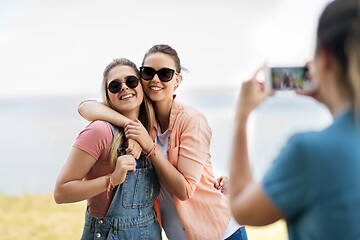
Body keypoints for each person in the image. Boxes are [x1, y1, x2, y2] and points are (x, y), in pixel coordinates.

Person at [78, 44, 247, 240]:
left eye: (165, 73)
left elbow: (185, 190)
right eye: (148, 72)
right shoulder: (145, 122)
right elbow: (85, 107)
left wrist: (149, 146)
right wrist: (130, 125)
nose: (155, 79)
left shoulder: (192, 120)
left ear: (177, 80)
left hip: (218, 232)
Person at [229, 0, 360, 239]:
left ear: (326, 58)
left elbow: (241, 207)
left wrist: (242, 117)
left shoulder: (309, 151)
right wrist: (333, 101)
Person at [53, 58, 162, 239]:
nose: (124, 87)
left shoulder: (151, 129)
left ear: (141, 86)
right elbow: (61, 192)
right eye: (114, 86)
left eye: (131, 81)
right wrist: (111, 179)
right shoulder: (100, 131)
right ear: (108, 95)